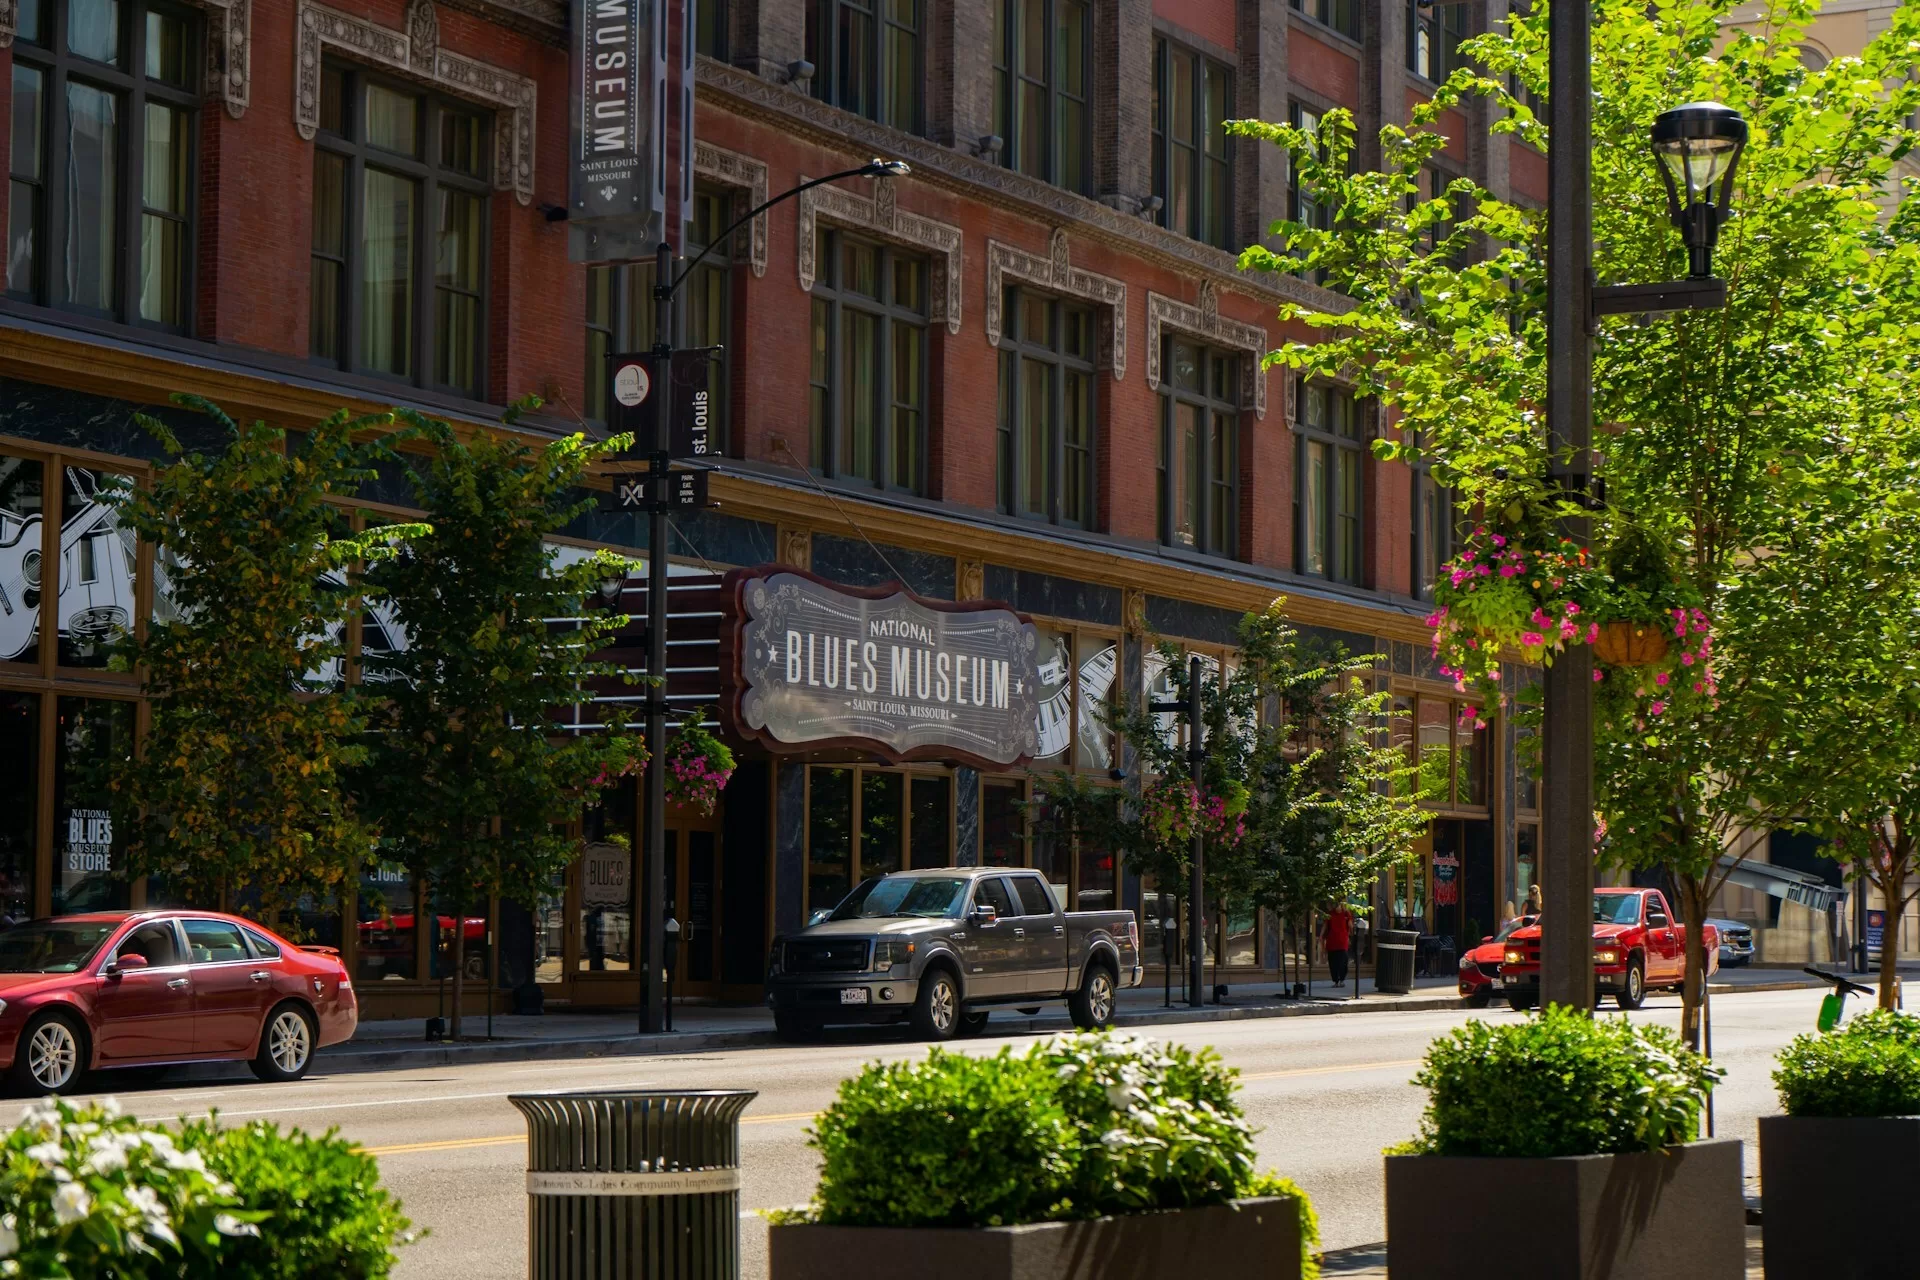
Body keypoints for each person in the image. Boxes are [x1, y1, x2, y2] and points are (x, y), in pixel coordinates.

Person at [1322, 902, 1354, 989]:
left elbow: (1350, 926)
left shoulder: (1346, 914)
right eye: (1334, 906)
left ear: (1341, 905)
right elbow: (1325, 925)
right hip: (1332, 941)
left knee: (1343, 961)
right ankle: (1336, 981)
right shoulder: (1330, 914)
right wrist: (1321, 936)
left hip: (1342, 941)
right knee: (1333, 962)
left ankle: (1342, 979)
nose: (1336, 908)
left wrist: (1352, 935)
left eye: (1338, 905)